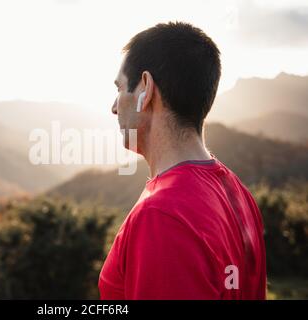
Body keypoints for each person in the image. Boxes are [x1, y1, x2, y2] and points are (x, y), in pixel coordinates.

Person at [98, 22, 266, 300]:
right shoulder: (239, 194)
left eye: (120, 88)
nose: (114, 107)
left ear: (145, 90)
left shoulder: (162, 216)